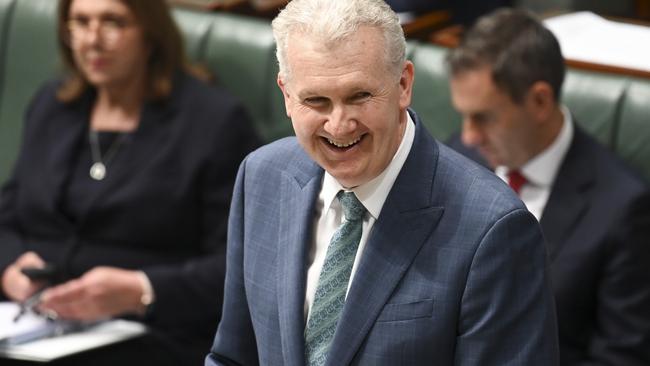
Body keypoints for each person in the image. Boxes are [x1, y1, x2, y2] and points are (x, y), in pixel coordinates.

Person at [206, 0, 559, 365]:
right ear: (287, 95)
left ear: (404, 84)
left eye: (359, 96)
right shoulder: (262, 177)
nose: (339, 125)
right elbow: (233, 357)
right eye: (316, 101)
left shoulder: (493, 229)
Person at [0, 0, 259, 364]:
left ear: (151, 34)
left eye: (113, 22)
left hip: (151, 335)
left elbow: (241, 265)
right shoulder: (52, 105)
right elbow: (6, 214)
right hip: (29, 323)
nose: (92, 40)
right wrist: (10, 268)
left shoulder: (213, 122)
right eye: (80, 22)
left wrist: (141, 290)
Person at [446, 8, 650, 365]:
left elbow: (621, 357)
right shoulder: (459, 156)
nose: (468, 135)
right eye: (463, 116)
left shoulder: (625, 209)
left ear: (539, 101)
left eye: (484, 117)